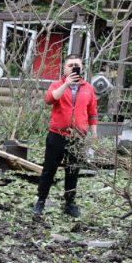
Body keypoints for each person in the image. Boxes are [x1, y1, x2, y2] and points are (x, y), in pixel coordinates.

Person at [35, 56, 97, 219]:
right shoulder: (57, 85)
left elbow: (92, 112)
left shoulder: (88, 88)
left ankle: (69, 204)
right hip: (57, 135)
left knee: (73, 171)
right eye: (71, 65)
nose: (74, 67)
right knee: (49, 170)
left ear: (82, 68)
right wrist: (66, 84)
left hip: (77, 137)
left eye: (77, 65)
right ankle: (40, 201)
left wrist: (94, 134)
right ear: (64, 68)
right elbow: (49, 99)